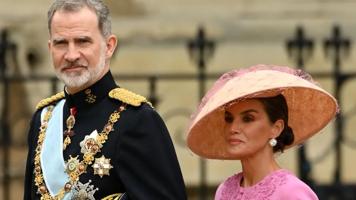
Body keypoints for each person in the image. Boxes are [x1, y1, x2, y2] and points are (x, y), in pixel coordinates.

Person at [23, 0, 187, 199]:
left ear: (109, 46)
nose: (71, 54)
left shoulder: (136, 120)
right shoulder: (44, 119)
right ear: (50, 48)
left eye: (83, 41)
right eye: (61, 43)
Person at [187, 64, 338, 200]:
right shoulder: (224, 191)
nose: (233, 128)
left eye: (248, 118)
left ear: (276, 128)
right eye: (229, 119)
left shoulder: (291, 192)